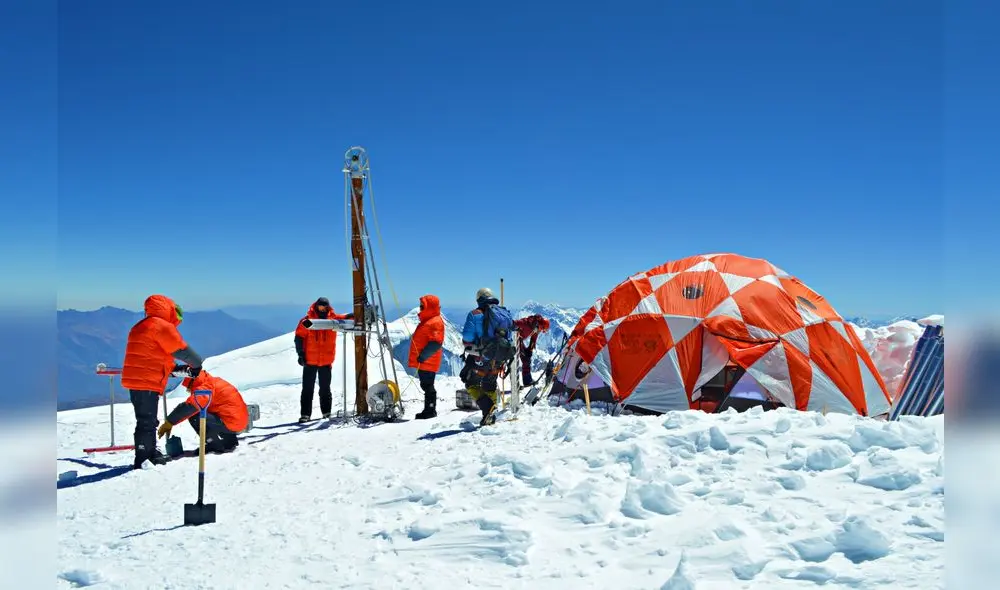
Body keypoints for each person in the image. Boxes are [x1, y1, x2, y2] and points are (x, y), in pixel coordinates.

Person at [121, 294, 203, 469]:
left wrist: (177, 369)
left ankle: (150, 452)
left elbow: (154, 356)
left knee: (147, 420)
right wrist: (196, 364)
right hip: (146, 381)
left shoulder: (141, 326)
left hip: (139, 379)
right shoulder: (161, 326)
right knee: (146, 421)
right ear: (169, 309)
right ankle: (144, 457)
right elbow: (182, 350)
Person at [157, 369, 249, 454]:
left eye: (188, 387)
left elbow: (191, 406)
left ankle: (213, 445)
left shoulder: (205, 387)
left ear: (193, 381)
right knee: (214, 412)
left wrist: (170, 422)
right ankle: (230, 441)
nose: (188, 390)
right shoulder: (212, 381)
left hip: (231, 422)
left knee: (195, 417)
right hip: (239, 421)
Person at [461, 287, 515, 426]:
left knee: (470, 382)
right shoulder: (503, 313)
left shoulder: (475, 314)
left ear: (479, 299)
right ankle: (490, 415)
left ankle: (488, 408)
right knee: (489, 385)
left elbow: (467, 337)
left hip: (481, 357)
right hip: (499, 358)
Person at [294, 297, 353, 422]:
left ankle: (326, 413)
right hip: (310, 361)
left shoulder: (333, 320)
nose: (322, 309)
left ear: (327, 307)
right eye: (320, 306)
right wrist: (300, 354)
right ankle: (305, 415)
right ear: (316, 306)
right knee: (307, 389)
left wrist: (356, 314)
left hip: (326, 361)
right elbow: (299, 337)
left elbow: (345, 319)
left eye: (324, 307)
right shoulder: (307, 321)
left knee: (325, 389)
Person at [408, 294, 445, 419]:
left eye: (422, 306)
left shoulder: (434, 322)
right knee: (426, 385)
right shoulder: (429, 320)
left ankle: (430, 411)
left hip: (427, 360)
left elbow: (436, 343)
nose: (420, 308)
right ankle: (429, 410)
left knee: (428, 385)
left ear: (429, 306)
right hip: (426, 360)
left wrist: (423, 357)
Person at [513, 314, 551, 386]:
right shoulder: (525, 324)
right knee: (523, 360)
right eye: (542, 329)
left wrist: (530, 349)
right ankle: (525, 381)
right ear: (540, 325)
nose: (541, 331)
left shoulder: (535, 329)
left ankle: (527, 380)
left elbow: (533, 339)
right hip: (514, 341)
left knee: (527, 359)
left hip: (519, 340)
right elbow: (513, 323)